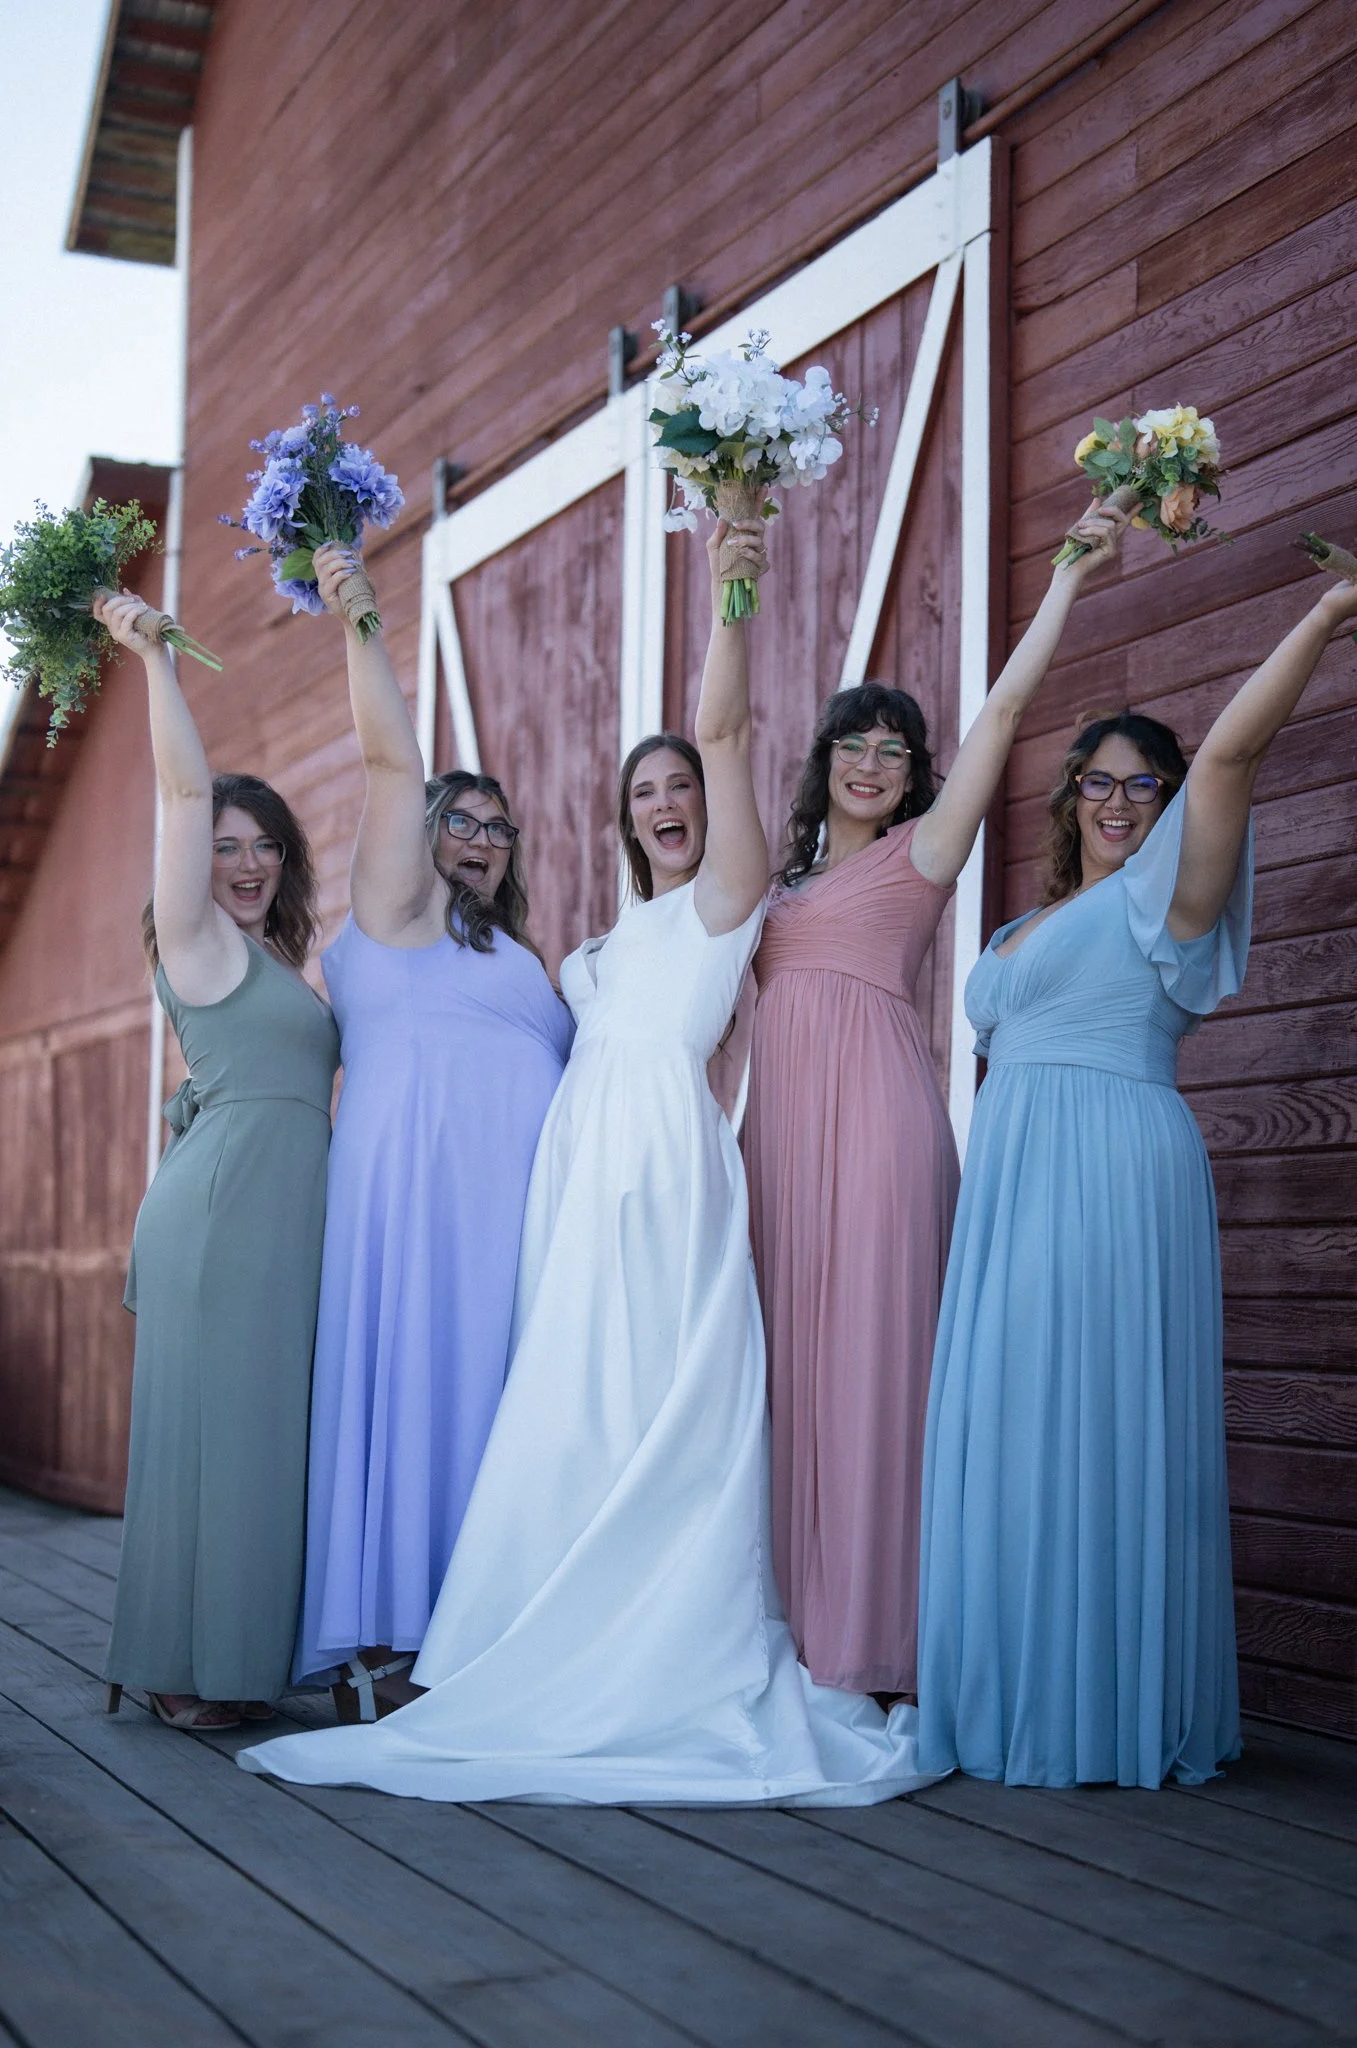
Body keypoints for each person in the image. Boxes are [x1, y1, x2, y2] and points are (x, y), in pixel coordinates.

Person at [239, 516, 936, 1803]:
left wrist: (737, 574)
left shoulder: (735, 898)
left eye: (681, 787)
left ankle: (664, 1635)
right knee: (569, 1413)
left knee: (669, 1410)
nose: (668, 802)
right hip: (574, 1189)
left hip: (666, 1168)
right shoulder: (594, 947)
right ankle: (527, 1626)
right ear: (624, 821)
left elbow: (726, 736)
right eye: (646, 793)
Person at [917, 553, 1357, 1787]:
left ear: (1164, 803)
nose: (1119, 800)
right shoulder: (1016, 926)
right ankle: (1007, 1687)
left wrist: (1324, 614)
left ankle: (1095, 1702)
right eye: (1099, 782)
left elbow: (1231, 758)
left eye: (1140, 784)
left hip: (1111, 1168)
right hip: (1012, 1187)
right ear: (1070, 798)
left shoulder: (1171, 899)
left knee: (1094, 1416)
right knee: (1013, 1423)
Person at [743, 503, 1128, 1698]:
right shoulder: (779, 877)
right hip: (781, 1137)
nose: (873, 760)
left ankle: (886, 1636)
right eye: (855, 742)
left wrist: (1066, 569)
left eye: (895, 748)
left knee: (877, 1364)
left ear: (916, 777)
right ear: (826, 761)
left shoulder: (921, 853)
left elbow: (1005, 714)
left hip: (879, 1122)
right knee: (782, 1371)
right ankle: (793, 1622)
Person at [293, 544, 572, 1720]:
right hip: (409, 1212)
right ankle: (387, 1638)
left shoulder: (518, 959)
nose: (482, 837)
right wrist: (360, 613)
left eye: (499, 828)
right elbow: (387, 757)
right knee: (408, 1393)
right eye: (460, 819)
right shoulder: (393, 913)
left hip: (507, 1228)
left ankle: (486, 1625)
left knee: (495, 1408)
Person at [98, 591, 339, 1732]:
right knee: (211, 1438)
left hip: (279, 1220)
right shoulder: (194, 940)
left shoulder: (283, 957)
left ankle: (236, 1656)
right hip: (224, 1216)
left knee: (256, 1438)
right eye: (225, 847)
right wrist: (153, 657)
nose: (243, 863)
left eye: (264, 847)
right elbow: (183, 790)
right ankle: (178, 1663)